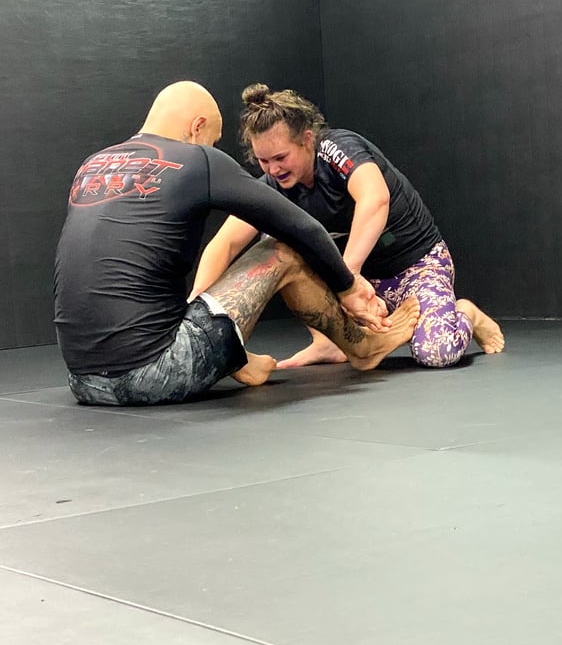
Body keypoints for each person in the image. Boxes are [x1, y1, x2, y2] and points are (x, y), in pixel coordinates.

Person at [53, 81, 419, 406]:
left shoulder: (93, 165)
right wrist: (348, 286)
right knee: (282, 249)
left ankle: (232, 357)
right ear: (197, 127)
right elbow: (300, 227)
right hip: (155, 374)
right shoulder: (197, 159)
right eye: (213, 140)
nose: (212, 147)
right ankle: (364, 347)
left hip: (82, 380)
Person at [190, 83, 504, 369]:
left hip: (416, 268)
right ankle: (327, 342)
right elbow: (226, 243)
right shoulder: (274, 184)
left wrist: (347, 276)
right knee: (275, 245)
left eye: (281, 157)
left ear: (307, 140)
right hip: (359, 290)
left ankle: (467, 313)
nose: (273, 169)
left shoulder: (337, 149)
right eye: (263, 161)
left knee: (437, 352)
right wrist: (196, 308)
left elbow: (375, 199)